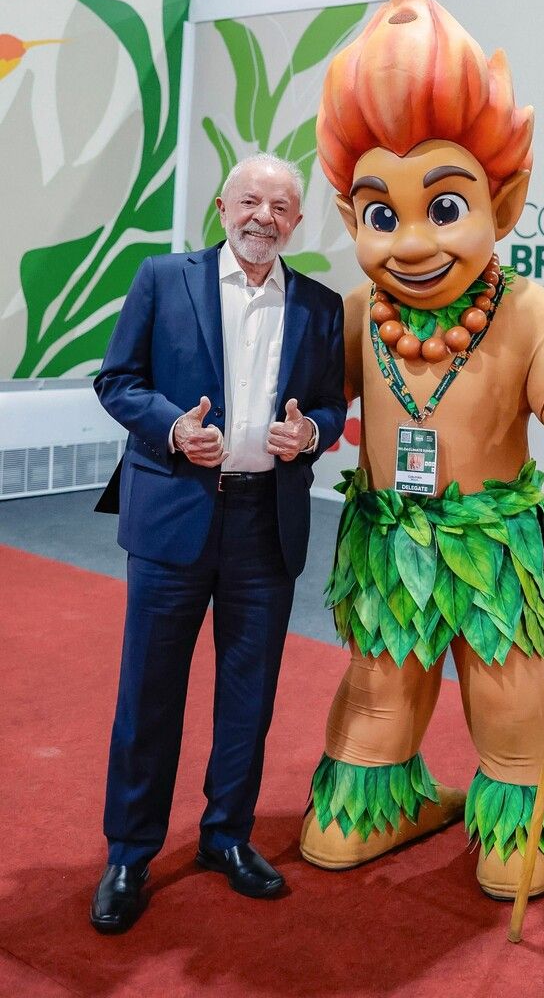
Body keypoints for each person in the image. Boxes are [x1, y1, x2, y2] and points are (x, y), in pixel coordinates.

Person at [299, 0, 544, 900]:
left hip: (486, 548)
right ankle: (365, 810)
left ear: (507, 197)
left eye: (443, 206)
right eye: (382, 215)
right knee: (380, 685)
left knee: (505, 691)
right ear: (350, 216)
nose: (410, 240)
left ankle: (511, 824)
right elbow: (299, 396)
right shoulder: (356, 312)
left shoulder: (525, 308)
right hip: (385, 544)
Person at [89, 153, 346, 933]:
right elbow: (116, 380)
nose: (263, 215)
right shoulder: (162, 279)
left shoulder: (322, 306)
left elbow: (333, 408)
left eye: (280, 206)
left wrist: (310, 433)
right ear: (222, 206)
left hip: (265, 522)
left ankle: (225, 838)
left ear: (296, 223)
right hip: (174, 517)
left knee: (248, 697)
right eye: (250, 200)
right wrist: (172, 428)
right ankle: (129, 853)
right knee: (150, 694)